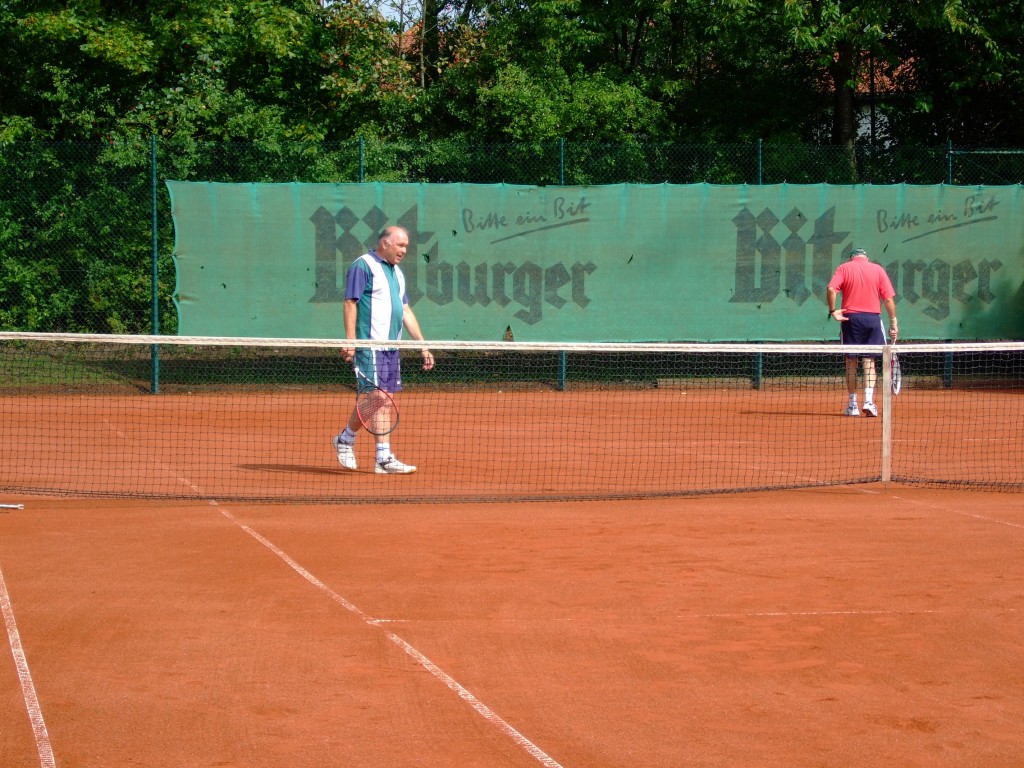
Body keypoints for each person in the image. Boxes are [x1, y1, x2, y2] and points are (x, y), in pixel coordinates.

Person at [332, 226, 434, 473]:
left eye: (406, 246)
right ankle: (352, 443)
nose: (404, 251)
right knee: (378, 398)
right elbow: (350, 302)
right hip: (370, 345)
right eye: (400, 245)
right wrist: (350, 340)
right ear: (385, 243)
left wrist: (423, 346)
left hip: (392, 347)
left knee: (384, 402)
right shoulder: (363, 266)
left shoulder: (397, 273)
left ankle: (378, 456)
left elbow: (406, 310)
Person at [826, 247, 898, 417]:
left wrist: (833, 311)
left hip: (850, 319)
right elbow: (888, 299)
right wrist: (893, 322)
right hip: (872, 319)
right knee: (869, 361)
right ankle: (868, 402)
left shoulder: (844, 268)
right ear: (866, 257)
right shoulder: (878, 269)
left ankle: (852, 406)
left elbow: (831, 289)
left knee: (851, 362)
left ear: (852, 258)